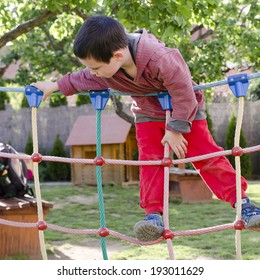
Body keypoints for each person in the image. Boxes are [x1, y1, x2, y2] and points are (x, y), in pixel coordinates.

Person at [32, 15, 260, 242]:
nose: (93, 73)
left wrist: (175, 129)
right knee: (150, 162)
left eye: (96, 68)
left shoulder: (159, 58)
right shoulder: (108, 68)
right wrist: (52, 87)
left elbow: (184, 94)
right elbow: (81, 78)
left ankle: (244, 205)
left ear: (117, 56)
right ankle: (153, 217)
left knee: (206, 156)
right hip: (147, 115)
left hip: (185, 113)